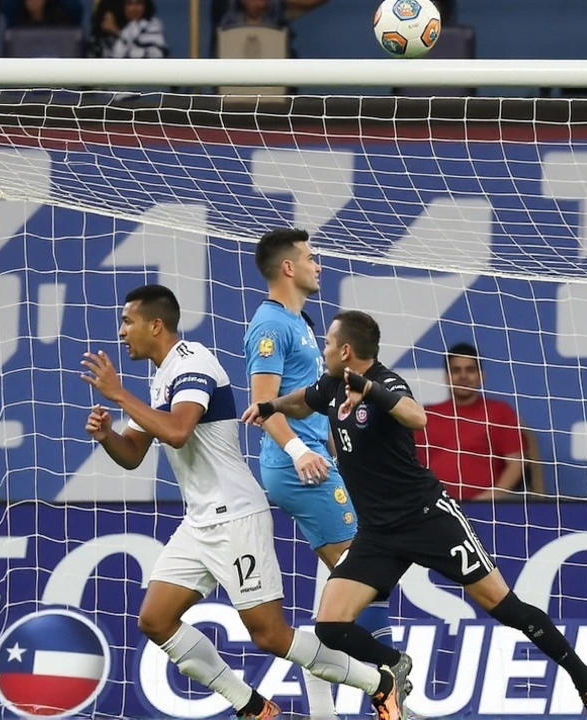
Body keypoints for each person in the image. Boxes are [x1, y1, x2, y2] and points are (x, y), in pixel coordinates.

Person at [244, 310, 587, 719]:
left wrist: (369, 390)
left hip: (428, 519)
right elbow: (303, 400)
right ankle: (394, 666)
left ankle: (586, 680)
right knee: (330, 626)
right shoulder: (333, 384)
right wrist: (270, 404)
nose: (325, 349)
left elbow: (415, 416)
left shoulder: (386, 384)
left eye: (329, 344)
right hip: (378, 533)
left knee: (505, 607)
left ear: (346, 351)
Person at [80, 284, 405, 720]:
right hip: (199, 523)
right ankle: (252, 706)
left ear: (155, 324)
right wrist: (107, 437)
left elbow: (177, 430)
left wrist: (119, 395)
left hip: (235, 519)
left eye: (127, 321)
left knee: (270, 635)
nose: (121, 332)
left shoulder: (193, 363)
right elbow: (134, 454)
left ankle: (379, 683)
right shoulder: (159, 377)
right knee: (155, 620)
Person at [243, 229, 393, 719]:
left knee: (346, 591)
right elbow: (263, 405)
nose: (318, 264)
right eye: (310, 257)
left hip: (315, 459)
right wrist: (296, 450)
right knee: (363, 575)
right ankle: (389, 688)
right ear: (288, 268)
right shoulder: (270, 326)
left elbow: (312, 408)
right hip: (297, 467)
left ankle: (340, 704)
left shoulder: (302, 324)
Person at [418, 342, 526, 501]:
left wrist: (489, 499)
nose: (463, 376)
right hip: (432, 510)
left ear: (481, 376)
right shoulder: (424, 415)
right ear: (447, 377)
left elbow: (516, 463)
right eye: (456, 370)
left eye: (470, 370)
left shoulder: (500, 412)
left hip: (486, 510)